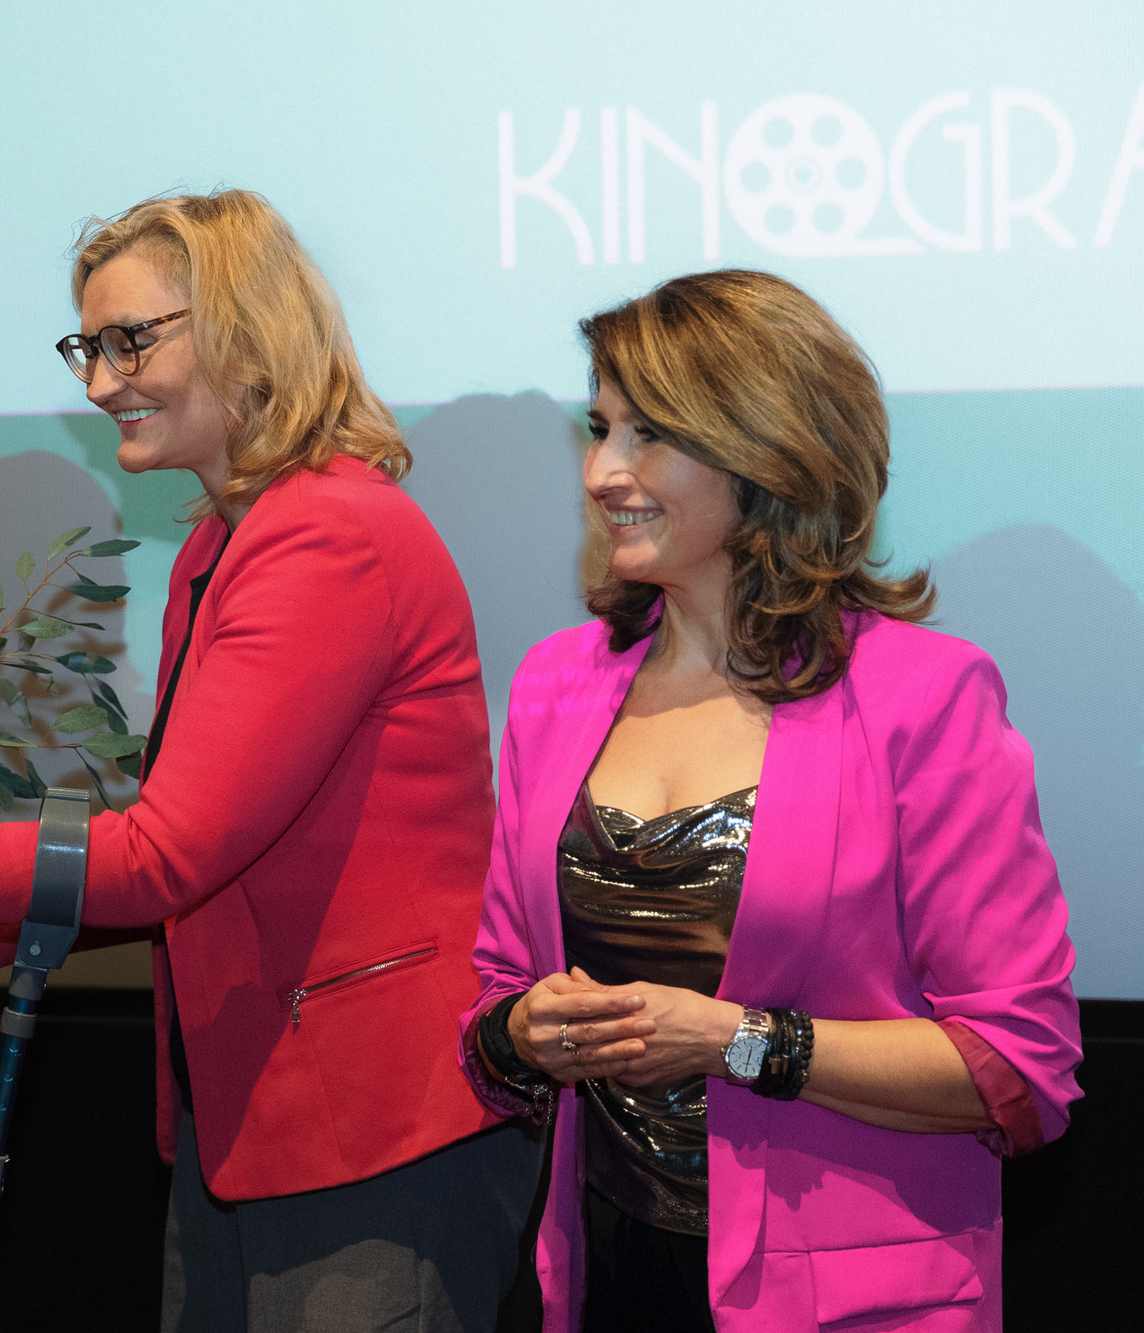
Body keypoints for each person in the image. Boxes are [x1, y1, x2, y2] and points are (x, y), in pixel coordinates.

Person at [0, 191, 544, 1332]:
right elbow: (177, 859)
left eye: (131, 341)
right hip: (263, 1117)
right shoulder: (225, 540)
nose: (99, 383)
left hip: (372, 1125)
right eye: (88, 348)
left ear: (247, 329)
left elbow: (161, 857)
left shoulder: (324, 534)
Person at [459, 270, 1082, 1332]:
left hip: (847, 1298)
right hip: (607, 1274)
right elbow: (497, 993)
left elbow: (1017, 1064)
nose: (602, 472)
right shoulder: (556, 683)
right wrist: (521, 1032)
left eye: (649, 433)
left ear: (766, 452)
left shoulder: (922, 697)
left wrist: (738, 1040)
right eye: (600, 428)